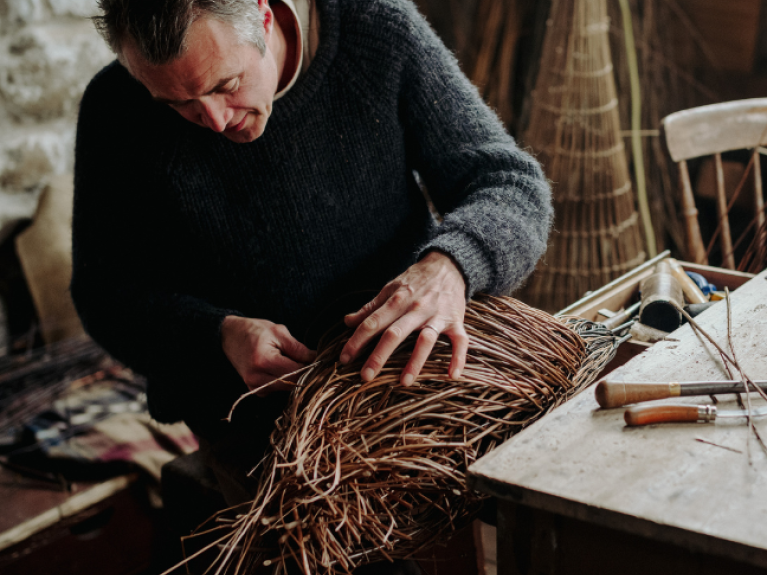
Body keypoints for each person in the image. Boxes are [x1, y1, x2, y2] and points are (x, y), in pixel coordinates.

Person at [71, 0, 551, 570]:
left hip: (412, 368)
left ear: (265, 15)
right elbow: (105, 294)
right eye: (175, 103)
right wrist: (215, 335)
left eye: (227, 84)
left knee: (545, 517)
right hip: (259, 416)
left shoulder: (375, 32)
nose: (215, 121)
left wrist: (450, 266)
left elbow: (509, 184)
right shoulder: (116, 109)